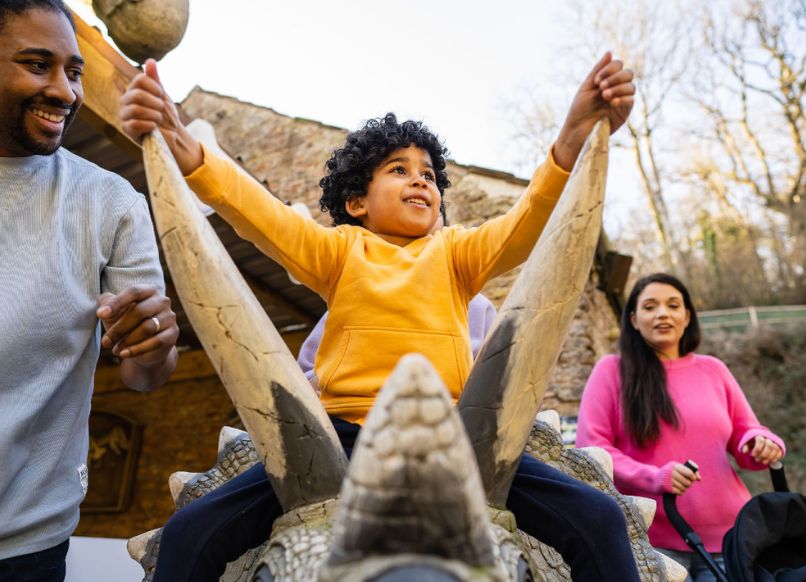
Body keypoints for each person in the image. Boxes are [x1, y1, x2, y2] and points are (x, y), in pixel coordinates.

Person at [120, 52, 639, 582]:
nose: (422, 182)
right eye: (399, 170)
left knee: (601, 519)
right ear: (356, 202)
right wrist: (186, 149)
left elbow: (528, 220)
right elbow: (261, 216)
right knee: (189, 534)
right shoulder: (339, 253)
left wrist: (572, 141)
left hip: (459, 442)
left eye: (430, 175)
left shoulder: (458, 254)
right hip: (339, 443)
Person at [0, 1, 179, 579]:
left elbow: (147, 376)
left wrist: (153, 345)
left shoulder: (111, 201)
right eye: (37, 65)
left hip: (16, 550)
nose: (65, 92)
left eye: (73, 72)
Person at [576, 273, 786, 581]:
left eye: (673, 305)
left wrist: (760, 442)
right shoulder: (611, 371)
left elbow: (746, 433)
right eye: (650, 307)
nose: (662, 313)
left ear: (686, 317)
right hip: (652, 545)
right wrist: (654, 477)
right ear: (634, 320)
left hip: (733, 539)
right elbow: (592, 451)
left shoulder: (713, 369)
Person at [297, 209, 498, 389]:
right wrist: (321, 382)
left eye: (432, 214)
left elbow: (495, 375)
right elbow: (307, 373)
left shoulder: (478, 308)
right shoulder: (348, 297)